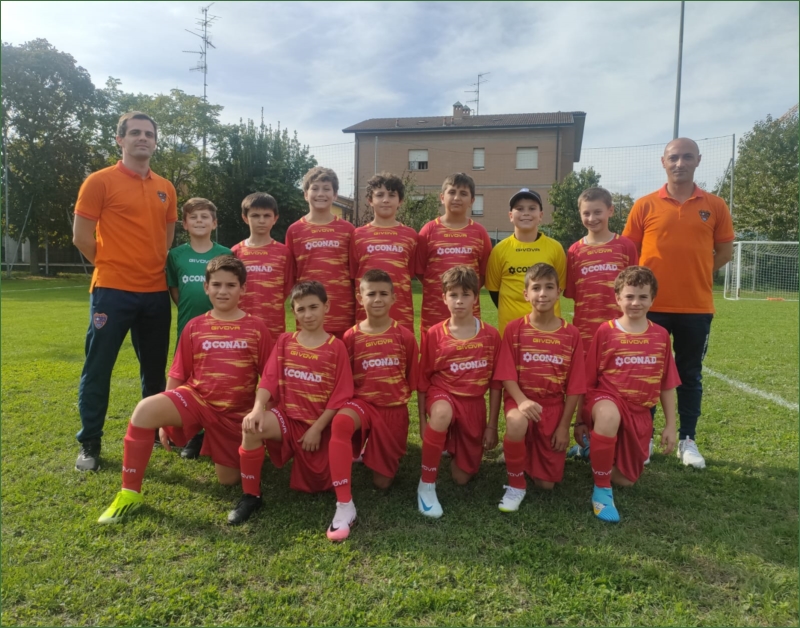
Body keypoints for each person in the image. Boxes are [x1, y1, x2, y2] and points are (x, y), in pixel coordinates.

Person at [97, 256, 273, 523]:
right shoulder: (195, 326)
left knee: (228, 480)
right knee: (145, 410)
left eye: (230, 285)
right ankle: (129, 493)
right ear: (206, 287)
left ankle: (217, 443)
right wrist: (163, 420)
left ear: (243, 289)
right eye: (216, 285)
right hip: (197, 399)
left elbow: (270, 377)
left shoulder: (256, 328)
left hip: (234, 414)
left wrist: (267, 415)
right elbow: (178, 373)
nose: (223, 291)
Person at [72, 111, 178, 472]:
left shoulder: (166, 187)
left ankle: (152, 433)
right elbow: (81, 237)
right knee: (98, 367)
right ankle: (90, 441)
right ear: (120, 139)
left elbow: (165, 239)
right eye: (135, 133)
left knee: (154, 371)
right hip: (112, 292)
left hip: (155, 293)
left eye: (149, 133)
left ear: (155, 142)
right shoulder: (99, 181)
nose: (142, 138)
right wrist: (113, 264)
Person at [623, 138, 734, 469]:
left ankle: (687, 439)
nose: (680, 163)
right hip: (650, 309)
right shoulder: (644, 205)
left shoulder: (715, 205)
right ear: (663, 162)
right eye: (674, 157)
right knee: (646, 374)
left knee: (689, 374)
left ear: (698, 160)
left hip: (696, 308)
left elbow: (724, 252)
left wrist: (698, 272)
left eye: (687, 157)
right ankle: (643, 438)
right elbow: (629, 253)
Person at [228, 281, 354, 525]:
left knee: (319, 485)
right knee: (251, 427)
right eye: (301, 309)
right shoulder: (286, 341)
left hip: (320, 427)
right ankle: (251, 495)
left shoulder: (336, 347)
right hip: (286, 419)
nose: (308, 315)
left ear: (326, 306)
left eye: (313, 307)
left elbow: (341, 395)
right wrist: (257, 409)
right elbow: (269, 378)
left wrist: (316, 429)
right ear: (293, 312)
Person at [326, 269, 419, 541]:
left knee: (382, 483)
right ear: (360, 298)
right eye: (371, 294)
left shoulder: (404, 336)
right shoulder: (350, 337)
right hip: (362, 406)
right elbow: (344, 380)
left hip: (393, 411)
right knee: (342, 423)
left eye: (383, 294)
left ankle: (372, 449)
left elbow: (411, 378)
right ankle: (344, 503)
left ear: (394, 298)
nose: (377, 299)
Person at [581, 266, 680, 523]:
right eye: (629, 296)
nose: (636, 302)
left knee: (626, 480)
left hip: (639, 412)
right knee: (608, 416)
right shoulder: (606, 331)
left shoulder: (660, 335)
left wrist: (671, 425)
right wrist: (581, 420)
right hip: (607, 400)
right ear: (618, 298)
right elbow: (588, 379)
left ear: (652, 299)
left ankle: (593, 450)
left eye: (643, 297)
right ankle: (602, 491)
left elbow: (666, 384)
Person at [493, 263, 586, 512]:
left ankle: (523, 454)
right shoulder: (514, 329)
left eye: (549, 287)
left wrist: (564, 427)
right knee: (516, 422)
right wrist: (521, 400)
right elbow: (506, 375)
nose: (542, 294)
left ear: (558, 293)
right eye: (536, 288)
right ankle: (516, 484)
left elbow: (575, 387)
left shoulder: (571, 334)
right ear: (526, 294)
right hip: (520, 399)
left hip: (552, 407)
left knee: (546, 485)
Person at [416, 266, 501, 519]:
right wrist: (422, 421)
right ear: (444, 298)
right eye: (453, 295)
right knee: (442, 413)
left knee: (462, 477)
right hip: (443, 394)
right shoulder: (434, 334)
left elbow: (496, 384)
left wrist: (492, 426)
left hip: (473, 404)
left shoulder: (490, 335)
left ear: (476, 297)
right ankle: (426, 485)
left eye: (466, 294)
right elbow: (423, 380)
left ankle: (452, 445)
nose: (459, 301)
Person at [166, 199, 232, 460]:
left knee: (218, 379)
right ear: (184, 224)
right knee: (189, 381)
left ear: (214, 223)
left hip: (221, 329)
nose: (199, 221)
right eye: (193, 217)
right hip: (189, 329)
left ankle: (218, 431)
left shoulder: (226, 253)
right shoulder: (175, 255)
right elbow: (176, 291)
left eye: (205, 217)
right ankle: (193, 433)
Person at [416, 173, 493, 333]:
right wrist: (440, 289)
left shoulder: (479, 233)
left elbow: (484, 274)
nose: (457, 198)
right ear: (442, 197)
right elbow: (421, 271)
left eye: (463, 193)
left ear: (472, 201)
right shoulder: (428, 231)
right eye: (452, 192)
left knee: (468, 348)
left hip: (468, 314)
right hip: (434, 312)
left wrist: (464, 292)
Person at [564, 187, 638, 350]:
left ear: (610, 210)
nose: (592, 218)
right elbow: (573, 293)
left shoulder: (625, 246)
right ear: (580, 213)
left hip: (621, 330)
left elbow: (635, 291)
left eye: (598, 212)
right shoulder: (574, 251)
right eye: (586, 213)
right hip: (585, 332)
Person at [285, 167, 355, 339]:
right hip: (308, 315)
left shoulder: (348, 230)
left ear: (335, 194)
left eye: (326, 189)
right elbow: (291, 274)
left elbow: (355, 273)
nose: (320, 194)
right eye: (315, 188)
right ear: (305, 194)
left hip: (342, 313)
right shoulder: (294, 230)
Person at [486, 188, 566, 337]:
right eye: (520, 208)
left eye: (532, 208)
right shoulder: (499, 250)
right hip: (511, 332)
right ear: (511, 216)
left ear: (540, 215)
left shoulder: (555, 248)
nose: (526, 213)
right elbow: (494, 290)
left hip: (549, 331)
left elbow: (559, 287)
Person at [349, 173, 417, 331]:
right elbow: (354, 274)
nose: (385, 200)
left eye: (392, 195)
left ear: (400, 201)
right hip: (366, 314)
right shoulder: (357, 235)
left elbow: (410, 272)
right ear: (370, 200)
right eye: (379, 195)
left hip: (401, 313)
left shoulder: (411, 235)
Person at [231, 192, 293, 338]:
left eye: (267, 216)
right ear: (245, 218)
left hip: (273, 327)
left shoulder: (284, 253)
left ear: (275, 218)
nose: (261, 220)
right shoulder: (235, 252)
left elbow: (286, 289)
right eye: (255, 215)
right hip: (241, 326)